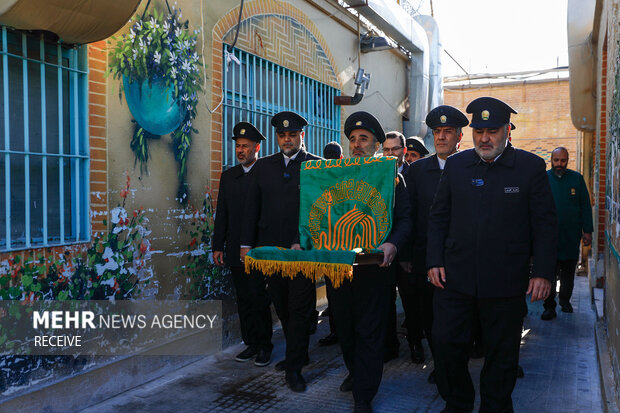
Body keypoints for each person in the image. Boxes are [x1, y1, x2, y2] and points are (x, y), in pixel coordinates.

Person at [427, 97, 557, 413]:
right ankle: (457, 402)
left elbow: (545, 224)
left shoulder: (529, 168)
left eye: (493, 130)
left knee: (502, 353)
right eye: (479, 130)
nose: (485, 138)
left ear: (507, 131)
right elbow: (438, 217)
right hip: (455, 279)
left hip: (505, 283)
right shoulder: (457, 166)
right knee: (445, 344)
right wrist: (433, 260)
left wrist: (542, 272)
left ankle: (495, 406)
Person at [330, 111, 412, 413]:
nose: (356, 144)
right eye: (352, 139)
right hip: (340, 270)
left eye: (363, 139)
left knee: (369, 331)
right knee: (347, 330)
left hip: (375, 271)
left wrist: (392, 244)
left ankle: (364, 394)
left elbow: (405, 221)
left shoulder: (393, 178)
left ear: (377, 144)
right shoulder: (335, 177)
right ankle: (356, 371)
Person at [240, 111, 321, 393]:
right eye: (282, 135)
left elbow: (322, 213)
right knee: (283, 307)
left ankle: (295, 367)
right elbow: (252, 208)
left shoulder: (317, 167)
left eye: (292, 134)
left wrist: (306, 239)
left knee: (299, 309)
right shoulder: (264, 167)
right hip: (271, 252)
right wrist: (246, 245)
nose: (287, 139)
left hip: (302, 253)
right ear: (277, 137)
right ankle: (298, 353)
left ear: (302, 136)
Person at [404, 105, 468, 381]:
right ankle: (440, 364)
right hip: (424, 259)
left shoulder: (471, 167)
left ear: (459, 136)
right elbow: (407, 216)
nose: (441, 137)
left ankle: (453, 366)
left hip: (461, 260)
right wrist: (406, 255)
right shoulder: (416, 171)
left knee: (459, 321)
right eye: (437, 131)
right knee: (430, 318)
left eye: (448, 132)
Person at [212, 121, 273, 367]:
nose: (240, 151)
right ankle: (251, 343)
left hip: (259, 249)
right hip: (235, 248)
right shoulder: (229, 177)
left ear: (256, 147)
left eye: (246, 146)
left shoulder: (267, 174)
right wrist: (218, 246)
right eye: (238, 146)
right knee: (244, 299)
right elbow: (222, 213)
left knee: (259, 297)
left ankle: (265, 346)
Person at [541, 146, 593, 320]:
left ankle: (565, 301)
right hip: (549, 238)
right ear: (551, 160)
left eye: (563, 160)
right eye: (556, 160)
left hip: (571, 237)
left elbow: (585, 205)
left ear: (567, 160)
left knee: (568, 274)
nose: (559, 164)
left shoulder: (576, 180)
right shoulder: (543, 179)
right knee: (549, 273)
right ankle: (549, 307)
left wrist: (588, 231)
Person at [382, 130, 411, 362]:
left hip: (409, 253)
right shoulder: (378, 174)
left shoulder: (416, 173)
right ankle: (389, 346)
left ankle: (415, 344)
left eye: (395, 149)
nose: (391, 153)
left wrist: (407, 253)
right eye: (387, 149)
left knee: (412, 302)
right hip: (385, 252)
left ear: (405, 150)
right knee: (387, 302)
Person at [318, 141, 344, 347]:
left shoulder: (327, 176)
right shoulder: (322, 177)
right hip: (331, 246)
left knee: (337, 293)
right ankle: (337, 331)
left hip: (339, 246)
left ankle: (339, 332)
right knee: (334, 293)